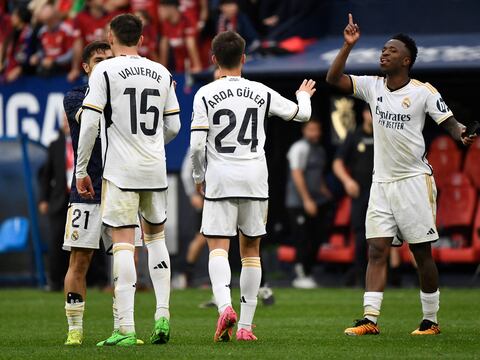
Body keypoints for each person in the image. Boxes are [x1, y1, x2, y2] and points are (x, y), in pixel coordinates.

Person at [326, 14, 476, 336]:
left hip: (414, 182)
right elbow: (333, 78)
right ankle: (370, 319)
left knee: (420, 252)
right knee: (376, 249)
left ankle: (430, 321)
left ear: (406, 60)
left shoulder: (423, 92)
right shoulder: (372, 86)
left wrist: (461, 134)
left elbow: (449, 123)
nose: (384, 54)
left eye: (391, 51)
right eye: (383, 49)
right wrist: (346, 46)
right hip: (381, 183)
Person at [190, 30, 315, 341]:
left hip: (221, 177)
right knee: (251, 252)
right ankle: (245, 327)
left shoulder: (204, 94)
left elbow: (195, 146)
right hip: (256, 179)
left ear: (214, 59)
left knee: (218, 247)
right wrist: (303, 96)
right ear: (244, 59)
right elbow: (302, 115)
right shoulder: (260, 90)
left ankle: (223, 308)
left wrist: (197, 176)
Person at [75, 14, 181, 346]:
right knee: (156, 240)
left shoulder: (105, 70)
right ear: (142, 37)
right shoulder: (161, 71)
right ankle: (163, 314)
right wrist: (150, 144)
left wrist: (81, 171)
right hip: (154, 168)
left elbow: (90, 123)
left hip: (121, 170)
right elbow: (174, 127)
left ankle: (125, 328)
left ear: (111, 35)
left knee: (123, 242)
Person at [62, 40, 119, 346]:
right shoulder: (74, 98)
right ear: (85, 67)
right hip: (85, 190)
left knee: (125, 261)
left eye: (110, 59)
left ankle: (123, 327)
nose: (106, 64)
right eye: (99, 60)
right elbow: (91, 124)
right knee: (79, 261)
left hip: (121, 187)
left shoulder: (124, 93)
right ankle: (75, 329)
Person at [285, 120, 333, 289]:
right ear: (304, 130)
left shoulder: (319, 150)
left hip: (317, 201)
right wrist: (306, 200)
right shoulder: (299, 148)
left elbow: (317, 175)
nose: (315, 133)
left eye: (317, 129)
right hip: (299, 203)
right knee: (302, 239)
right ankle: (300, 274)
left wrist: (324, 192)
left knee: (316, 238)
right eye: (311, 129)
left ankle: (308, 271)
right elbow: (297, 174)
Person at [333, 104, 373, 286]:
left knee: (385, 235)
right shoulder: (354, 136)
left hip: (382, 191)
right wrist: (347, 181)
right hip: (360, 192)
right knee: (360, 235)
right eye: (371, 113)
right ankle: (360, 276)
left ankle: (390, 276)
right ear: (365, 114)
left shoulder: (384, 135)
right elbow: (337, 163)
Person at [38, 116, 72, 292]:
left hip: (80, 199)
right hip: (59, 200)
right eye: (64, 122)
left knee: (85, 242)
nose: (66, 125)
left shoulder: (85, 140)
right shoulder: (55, 145)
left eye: (69, 121)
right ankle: (54, 281)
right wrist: (43, 199)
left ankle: (95, 279)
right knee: (55, 240)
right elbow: (46, 175)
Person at [159, 0, 203, 73]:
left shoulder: (187, 20)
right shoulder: (166, 24)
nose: (159, 13)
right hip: (180, 68)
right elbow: (164, 46)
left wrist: (197, 65)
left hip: (197, 66)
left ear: (171, 9)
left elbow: (191, 44)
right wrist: (161, 69)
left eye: (161, 10)